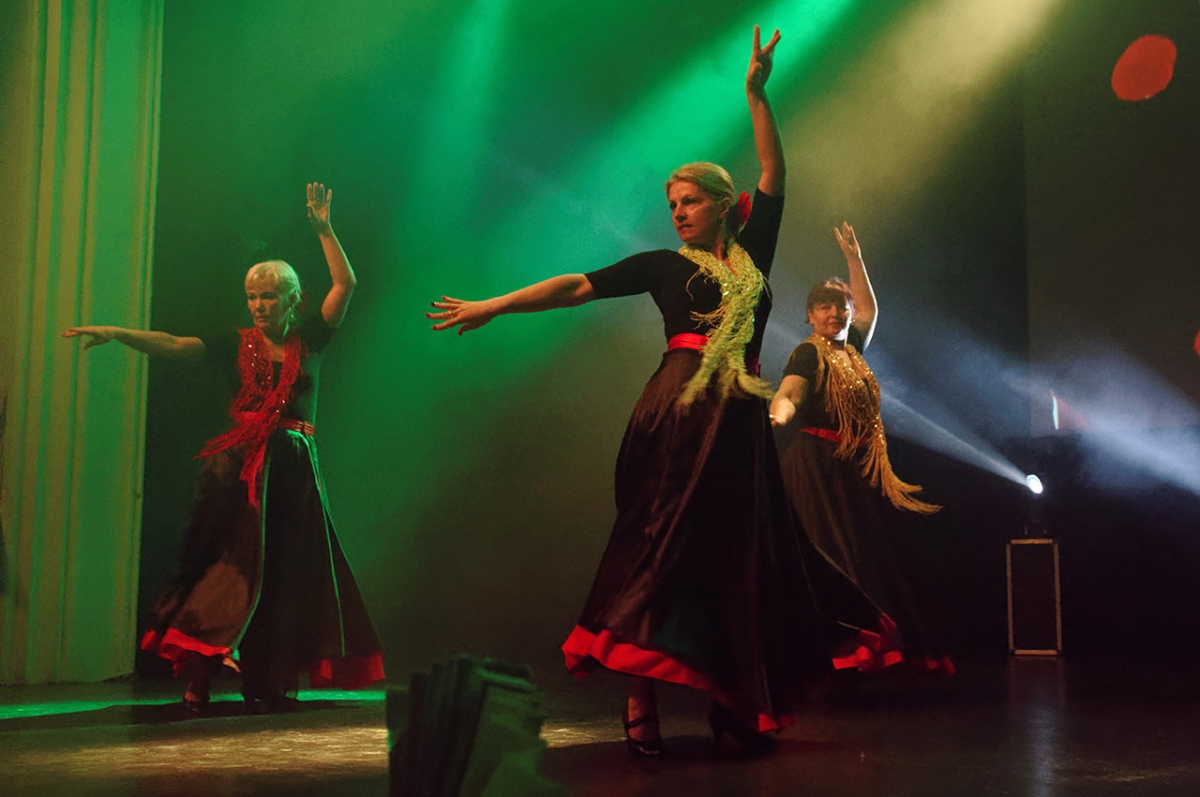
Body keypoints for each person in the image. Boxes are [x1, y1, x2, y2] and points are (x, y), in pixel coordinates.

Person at [430, 27, 873, 756]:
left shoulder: (753, 256)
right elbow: (577, 285)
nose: (678, 212)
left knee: (735, 556)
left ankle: (734, 696)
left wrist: (756, 94)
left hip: (736, 421)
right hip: (679, 411)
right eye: (672, 203)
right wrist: (495, 304)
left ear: (724, 206)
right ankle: (640, 697)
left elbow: (773, 168)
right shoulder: (664, 265)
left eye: (690, 201)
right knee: (659, 545)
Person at [63, 183, 384, 713]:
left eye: (269, 296)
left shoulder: (311, 340)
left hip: (293, 474)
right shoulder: (233, 343)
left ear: (293, 299)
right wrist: (120, 332)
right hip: (237, 471)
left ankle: (267, 679)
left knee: (282, 575)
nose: (258, 305)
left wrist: (324, 230)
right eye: (252, 297)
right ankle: (199, 679)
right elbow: (175, 344)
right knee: (226, 569)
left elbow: (345, 283)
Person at [769, 223, 952, 674]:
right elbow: (790, 391)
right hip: (815, 468)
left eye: (841, 306)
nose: (835, 313)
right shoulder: (808, 354)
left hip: (847, 468)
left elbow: (869, 311)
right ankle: (830, 654)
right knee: (834, 556)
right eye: (824, 306)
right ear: (810, 315)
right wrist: (779, 413)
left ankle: (869, 650)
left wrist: (854, 258)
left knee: (866, 556)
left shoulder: (850, 349)